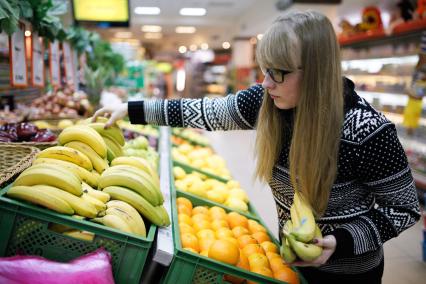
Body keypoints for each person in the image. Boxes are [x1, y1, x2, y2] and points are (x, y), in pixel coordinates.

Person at [93, 11, 420, 283]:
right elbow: (207, 112)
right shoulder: (267, 102)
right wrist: (132, 109)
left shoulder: (368, 132)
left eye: (278, 72)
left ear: (317, 73)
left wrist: (337, 242)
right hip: (290, 260)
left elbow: (404, 210)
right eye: (266, 69)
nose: (266, 83)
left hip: (350, 273)